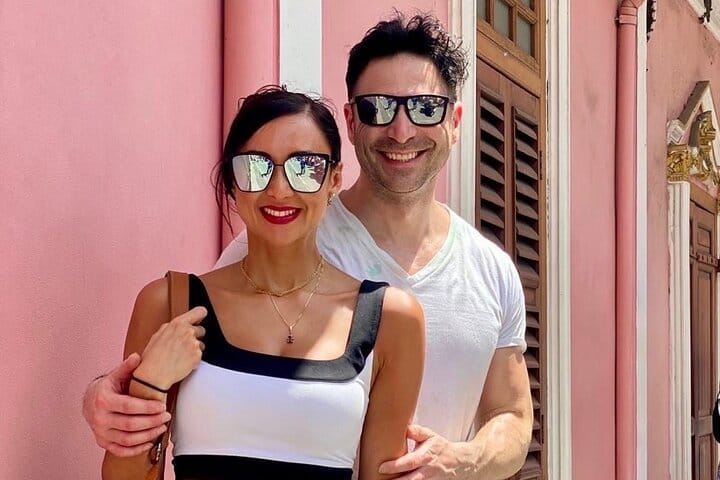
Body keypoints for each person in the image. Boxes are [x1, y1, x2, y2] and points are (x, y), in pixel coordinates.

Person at [84, 13, 533, 479]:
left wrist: (460, 461)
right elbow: (196, 366)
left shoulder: (490, 272)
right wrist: (115, 392)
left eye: (424, 107)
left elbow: (515, 417)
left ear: (455, 121)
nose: (401, 130)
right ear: (351, 122)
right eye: (377, 107)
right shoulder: (270, 237)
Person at [100, 86, 425, 480]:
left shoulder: (391, 319)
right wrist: (149, 384)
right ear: (231, 181)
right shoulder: (170, 304)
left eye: (305, 167)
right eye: (255, 166)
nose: (279, 189)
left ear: (335, 178)